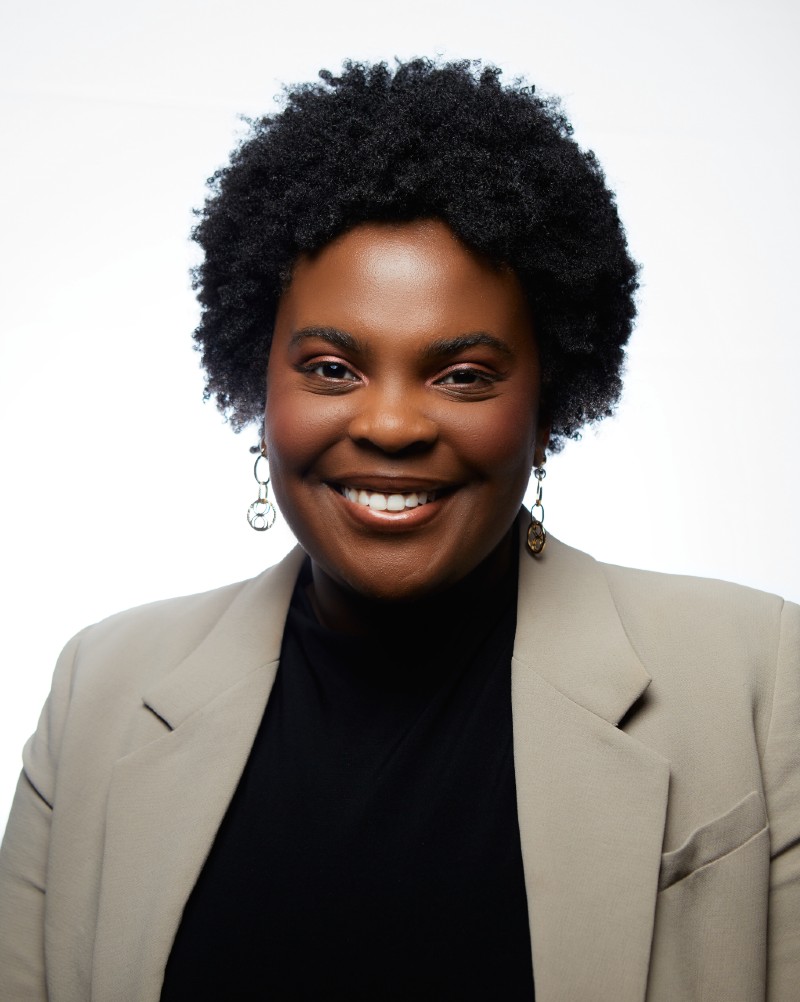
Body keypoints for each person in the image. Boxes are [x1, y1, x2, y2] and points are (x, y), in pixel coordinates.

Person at [0, 58, 797, 1002]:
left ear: (546, 409)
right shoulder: (103, 688)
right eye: (332, 367)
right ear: (261, 391)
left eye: (462, 375)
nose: (388, 425)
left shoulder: (758, 673)